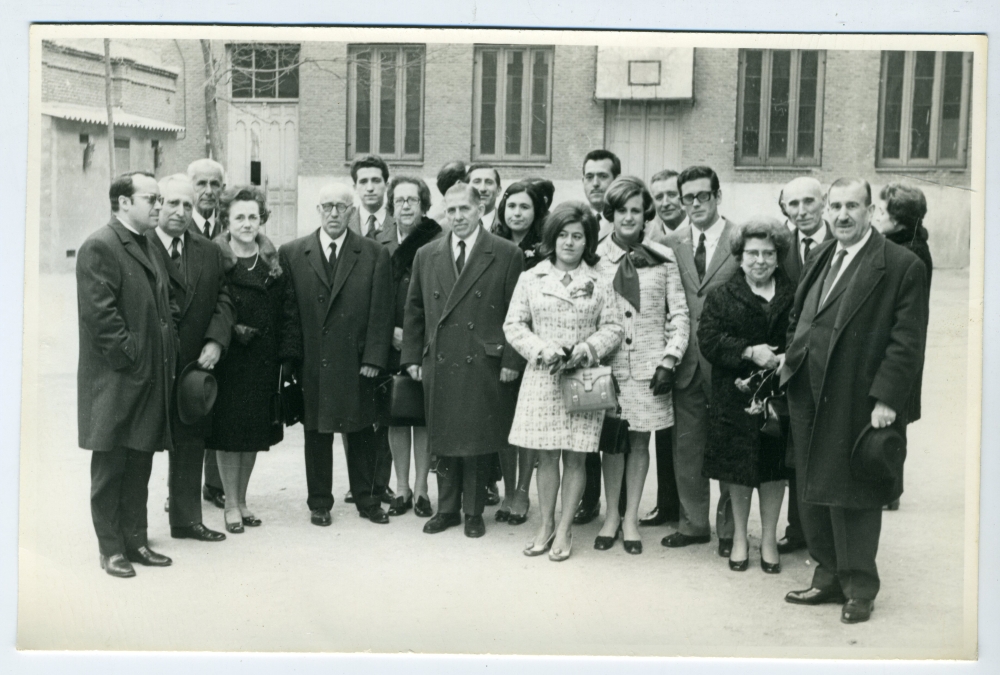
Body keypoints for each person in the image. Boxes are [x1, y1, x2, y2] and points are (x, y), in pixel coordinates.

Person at [781, 178, 929, 624]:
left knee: (856, 492)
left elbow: (907, 341)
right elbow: (802, 314)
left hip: (858, 397)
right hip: (808, 390)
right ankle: (827, 576)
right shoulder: (824, 253)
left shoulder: (900, 264)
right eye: (837, 206)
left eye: (854, 206)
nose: (843, 215)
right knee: (814, 487)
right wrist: (790, 362)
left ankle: (860, 587)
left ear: (870, 211)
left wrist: (887, 399)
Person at [401, 183, 525, 539]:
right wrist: (412, 355)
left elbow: (519, 313)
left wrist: (512, 360)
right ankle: (447, 509)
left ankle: (473, 512)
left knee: (476, 438)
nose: (457, 217)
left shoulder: (505, 253)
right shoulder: (427, 254)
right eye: (451, 210)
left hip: (484, 359)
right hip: (441, 359)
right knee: (444, 436)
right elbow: (415, 310)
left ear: (481, 208)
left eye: (464, 210)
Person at [504, 201, 624, 561]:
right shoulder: (531, 278)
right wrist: (542, 349)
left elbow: (614, 327)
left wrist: (586, 349)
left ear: (587, 241)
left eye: (578, 236)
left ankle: (566, 529)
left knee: (575, 457)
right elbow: (514, 325)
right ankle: (545, 525)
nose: (569, 243)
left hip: (583, 378)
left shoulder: (600, 281)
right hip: (543, 377)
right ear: (552, 238)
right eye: (563, 235)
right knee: (546, 456)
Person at [76, 171, 176, 577]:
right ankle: (111, 549)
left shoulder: (148, 242)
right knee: (111, 465)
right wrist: (133, 356)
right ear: (123, 203)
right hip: (117, 379)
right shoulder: (100, 246)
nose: (158, 205)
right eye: (150, 198)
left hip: (148, 374)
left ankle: (136, 541)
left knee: (140, 462)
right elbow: (101, 317)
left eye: (158, 198)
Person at [280, 182, 395, 527]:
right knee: (316, 432)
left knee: (360, 430)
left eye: (341, 207)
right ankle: (319, 502)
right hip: (314, 361)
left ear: (351, 211)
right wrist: (292, 360)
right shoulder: (293, 252)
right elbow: (289, 314)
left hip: (356, 360)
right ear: (318, 210)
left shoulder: (373, 253)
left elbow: (382, 312)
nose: (333, 213)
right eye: (327, 206)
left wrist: (374, 358)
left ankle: (367, 499)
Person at [593, 177, 690, 554]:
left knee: (639, 442)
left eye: (636, 210)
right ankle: (611, 516)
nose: (629, 217)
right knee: (611, 444)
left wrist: (670, 357)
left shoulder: (662, 258)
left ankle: (631, 516)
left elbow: (679, 315)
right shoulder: (594, 258)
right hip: (608, 368)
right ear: (611, 214)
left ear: (645, 213)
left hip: (650, 371)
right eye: (622, 210)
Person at [698, 217, 795, 573]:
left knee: (774, 469)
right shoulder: (722, 295)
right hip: (734, 398)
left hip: (778, 398)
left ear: (778, 256)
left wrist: (788, 356)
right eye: (752, 253)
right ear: (739, 257)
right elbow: (707, 339)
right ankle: (740, 537)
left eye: (768, 253)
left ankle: (768, 539)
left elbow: (804, 336)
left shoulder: (794, 292)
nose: (760, 260)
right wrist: (748, 351)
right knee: (737, 471)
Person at [654, 165, 739, 557]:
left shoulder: (741, 240)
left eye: (703, 196)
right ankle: (692, 524)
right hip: (686, 361)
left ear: (718, 196)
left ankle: (729, 531)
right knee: (687, 447)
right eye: (687, 197)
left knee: (728, 445)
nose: (694, 204)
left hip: (727, 363)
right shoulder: (670, 243)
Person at [147, 174, 233, 543]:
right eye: (172, 204)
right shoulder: (141, 246)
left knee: (190, 443)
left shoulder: (208, 250)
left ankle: (186, 521)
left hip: (194, 368)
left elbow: (223, 299)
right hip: (152, 366)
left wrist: (216, 341)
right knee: (141, 447)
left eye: (187, 205)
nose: (181, 211)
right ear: (157, 205)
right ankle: (134, 533)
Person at [207, 186, 293, 533]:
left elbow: (287, 311)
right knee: (229, 434)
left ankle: (242, 500)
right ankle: (229, 503)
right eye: (239, 217)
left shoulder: (272, 260)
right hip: (229, 360)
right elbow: (206, 306)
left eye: (252, 217)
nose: (246, 224)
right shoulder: (215, 257)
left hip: (262, 360)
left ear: (262, 220)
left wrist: (287, 356)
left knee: (254, 433)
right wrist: (228, 331)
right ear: (227, 220)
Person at [490, 180, 552, 525]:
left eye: (524, 207)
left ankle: (522, 492)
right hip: (497, 344)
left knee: (527, 424)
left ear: (535, 212)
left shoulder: (544, 250)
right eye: (511, 206)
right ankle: (506, 488)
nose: (517, 213)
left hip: (531, 347)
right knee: (502, 423)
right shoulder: (492, 244)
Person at [382, 176, 444, 518]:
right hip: (389, 341)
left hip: (424, 343)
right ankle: (401, 488)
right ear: (392, 206)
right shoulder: (380, 242)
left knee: (421, 418)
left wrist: (417, 338)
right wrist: (387, 331)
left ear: (423, 206)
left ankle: (421, 490)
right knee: (396, 414)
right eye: (400, 200)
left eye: (413, 200)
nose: (406, 206)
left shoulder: (437, 241)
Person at [775, 176, 830, 554]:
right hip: (788, 360)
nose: (801, 211)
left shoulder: (841, 241)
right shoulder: (781, 244)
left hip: (828, 362)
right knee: (794, 448)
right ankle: (798, 529)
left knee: (825, 449)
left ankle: (825, 537)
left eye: (809, 202)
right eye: (793, 205)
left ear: (824, 201)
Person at [873, 182, 933, 514]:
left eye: (882, 211)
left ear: (898, 219)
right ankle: (889, 487)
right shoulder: (909, 241)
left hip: (900, 347)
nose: (877, 216)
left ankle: (889, 489)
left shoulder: (910, 253)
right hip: (900, 345)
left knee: (892, 419)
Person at [345, 154, 396, 506]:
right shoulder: (340, 221)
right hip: (348, 337)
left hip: (386, 333)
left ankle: (382, 481)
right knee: (352, 414)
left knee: (384, 411)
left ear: (385, 184)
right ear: (355, 186)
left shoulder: (399, 225)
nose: (370, 187)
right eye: (363, 181)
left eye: (376, 180)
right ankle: (356, 481)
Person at [575, 149, 621, 526]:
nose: (595, 183)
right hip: (586, 346)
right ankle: (587, 501)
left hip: (620, 343)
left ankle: (618, 509)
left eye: (603, 176)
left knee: (620, 434)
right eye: (589, 175)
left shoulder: (624, 226)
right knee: (585, 426)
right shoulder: (576, 222)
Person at [639, 168, 686, 528]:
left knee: (683, 436)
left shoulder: (693, 235)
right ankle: (666, 502)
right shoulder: (648, 239)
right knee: (660, 434)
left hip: (687, 342)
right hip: (656, 347)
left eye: (673, 193)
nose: (667, 201)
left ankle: (686, 507)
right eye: (660, 196)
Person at [187, 157, 228, 509]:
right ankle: (179, 489)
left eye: (215, 185)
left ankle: (214, 485)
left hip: (221, 339)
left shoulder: (234, 225)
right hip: (185, 341)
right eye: (201, 184)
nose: (208, 191)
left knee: (218, 410)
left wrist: (218, 338)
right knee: (185, 415)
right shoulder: (177, 225)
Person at [645, 169, 687, 241]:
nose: (665, 203)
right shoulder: (649, 239)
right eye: (659, 197)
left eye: (672, 195)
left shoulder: (700, 230)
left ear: (684, 196)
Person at [466, 163, 501, 233]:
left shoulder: (508, 225)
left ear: (498, 190)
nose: (482, 189)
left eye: (489, 182)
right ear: (466, 188)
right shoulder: (450, 225)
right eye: (477, 182)